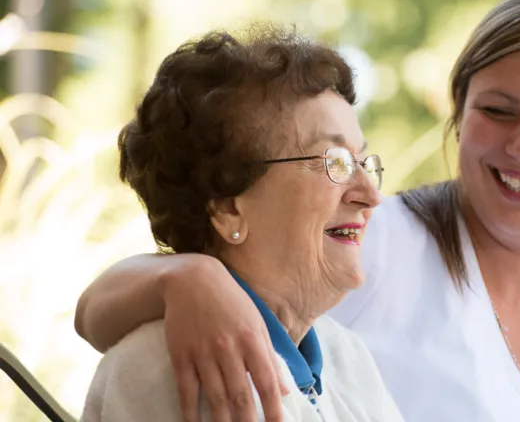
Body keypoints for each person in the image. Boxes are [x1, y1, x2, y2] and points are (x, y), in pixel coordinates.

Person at [75, 0, 520, 421]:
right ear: (459, 116)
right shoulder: (367, 243)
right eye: (497, 110)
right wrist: (187, 275)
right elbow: (101, 313)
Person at [79, 25, 403, 422]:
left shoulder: (345, 355)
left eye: (361, 162)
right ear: (228, 207)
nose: (370, 194)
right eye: (333, 162)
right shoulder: (178, 364)